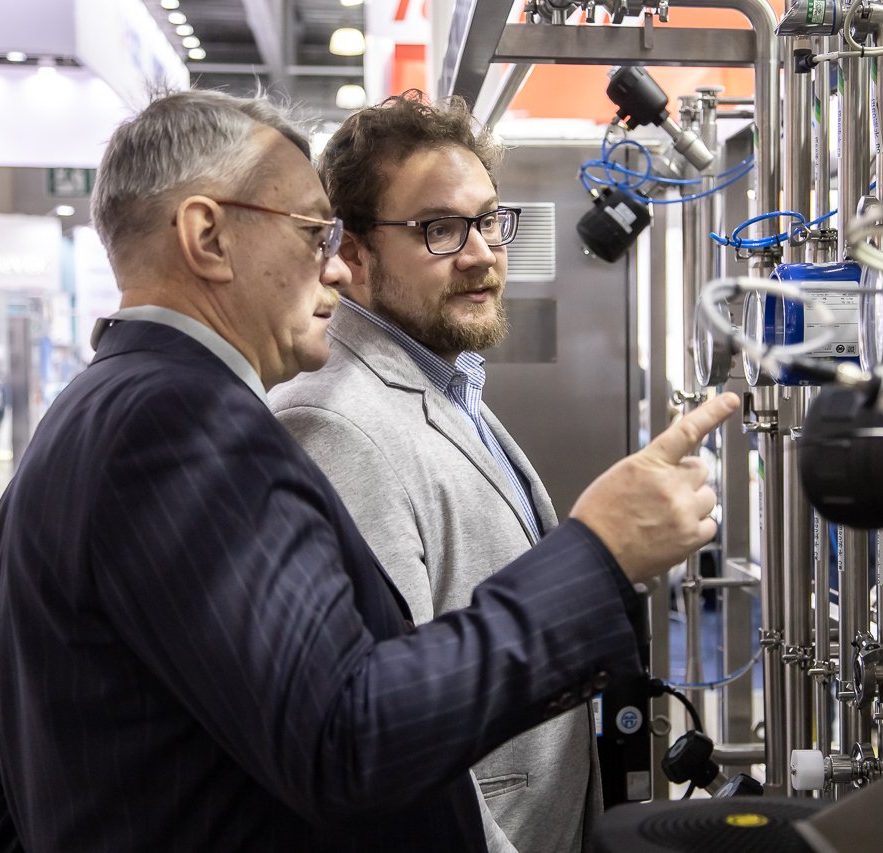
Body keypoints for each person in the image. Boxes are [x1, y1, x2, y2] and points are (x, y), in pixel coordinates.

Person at [0, 89, 738, 852]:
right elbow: (349, 736)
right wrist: (595, 554)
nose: (333, 268)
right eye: (311, 232)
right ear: (207, 236)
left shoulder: (88, 414)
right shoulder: (180, 426)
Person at [269, 91, 590, 852]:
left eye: (489, 221)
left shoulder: (449, 381)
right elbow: (390, 736)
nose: (480, 254)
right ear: (351, 252)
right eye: (438, 229)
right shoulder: (333, 423)